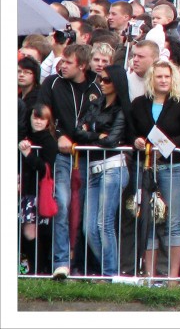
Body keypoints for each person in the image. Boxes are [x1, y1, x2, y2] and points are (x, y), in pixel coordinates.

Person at [131, 60, 180, 285]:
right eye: (159, 76)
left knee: (173, 222)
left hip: (174, 169)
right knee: (149, 221)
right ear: (151, 79)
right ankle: (150, 276)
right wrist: (137, 141)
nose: (163, 80)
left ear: (173, 79)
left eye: (167, 76)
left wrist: (168, 146)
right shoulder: (138, 104)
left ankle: (173, 277)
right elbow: (131, 133)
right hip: (147, 169)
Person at [37, 44, 101, 279]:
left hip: (89, 156)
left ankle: (85, 265)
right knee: (62, 205)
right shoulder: (52, 82)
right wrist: (58, 135)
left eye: (67, 61)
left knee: (85, 213)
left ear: (82, 66)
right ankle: (61, 262)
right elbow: (41, 113)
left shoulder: (97, 86)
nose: (61, 65)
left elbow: (98, 120)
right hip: (62, 156)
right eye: (61, 60)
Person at [74, 65, 134, 277]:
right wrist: (94, 136)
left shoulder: (121, 109)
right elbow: (77, 131)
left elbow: (111, 140)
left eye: (107, 80)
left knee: (103, 223)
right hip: (93, 168)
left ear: (117, 82)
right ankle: (108, 271)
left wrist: (92, 133)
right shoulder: (95, 103)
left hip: (113, 168)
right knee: (88, 228)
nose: (102, 83)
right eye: (101, 79)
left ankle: (109, 274)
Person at [18, 104, 59, 275]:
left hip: (35, 191)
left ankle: (35, 270)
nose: (37, 121)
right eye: (35, 117)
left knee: (30, 230)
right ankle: (29, 268)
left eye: (41, 118)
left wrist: (28, 155)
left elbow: (45, 167)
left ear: (48, 121)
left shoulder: (48, 140)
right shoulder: (26, 136)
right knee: (26, 230)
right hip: (24, 189)